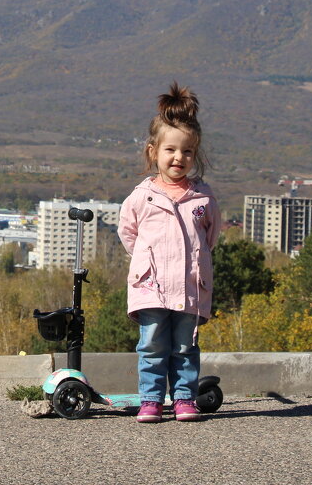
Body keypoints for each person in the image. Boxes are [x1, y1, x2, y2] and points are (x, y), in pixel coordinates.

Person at [118, 82, 221, 423]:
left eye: (187, 152)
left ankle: (183, 399)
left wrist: (193, 263)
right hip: (151, 287)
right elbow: (128, 232)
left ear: (196, 154)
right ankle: (150, 399)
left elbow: (211, 236)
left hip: (190, 286)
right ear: (153, 152)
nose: (179, 158)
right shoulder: (141, 197)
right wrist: (149, 262)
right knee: (151, 346)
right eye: (171, 150)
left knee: (185, 347)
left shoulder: (203, 199)